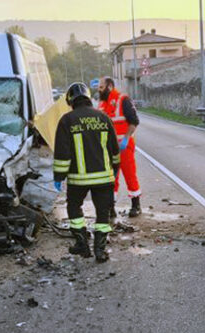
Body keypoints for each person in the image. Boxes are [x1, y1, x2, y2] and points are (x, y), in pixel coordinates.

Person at [53, 83, 121, 263]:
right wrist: (114, 171)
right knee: (102, 213)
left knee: (74, 207)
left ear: (70, 101)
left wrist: (59, 176)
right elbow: (114, 150)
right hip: (104, 178)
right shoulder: (103, 118)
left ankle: (82, 244)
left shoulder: (67, 120)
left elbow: (62, 153)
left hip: (78, 179)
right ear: (88, 97)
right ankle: (100, 250)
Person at [97, 76, 142, 218]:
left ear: (109, 86)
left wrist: (126, 139)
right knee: (111, 178)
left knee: (129, 174)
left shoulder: (123, 100)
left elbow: (134, 121)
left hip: (124, 146)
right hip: (108, 148)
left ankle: (136, 205)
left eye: (101, 87)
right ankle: (111, 207)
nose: (99, 90)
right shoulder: (102, 104)